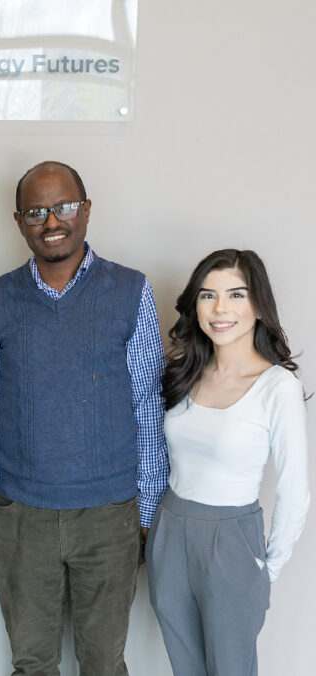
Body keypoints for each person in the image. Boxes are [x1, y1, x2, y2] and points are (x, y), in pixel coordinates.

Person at [0, 161, 168, 675]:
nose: (51, 221)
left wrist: (145, 512)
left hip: (109, 514)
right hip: (22, 517)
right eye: (36, 211)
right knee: (32, 665)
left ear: (87, 210)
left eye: (64, 207)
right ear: (18, 221)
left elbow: (148, 404)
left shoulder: (130, 290)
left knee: (103, 663)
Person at [145, 249, 309, 675]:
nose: (221, 309)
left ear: (258, 305)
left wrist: (266, 569)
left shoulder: (278, 386)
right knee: (186, 667)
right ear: (194, 306)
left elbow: (295, 490)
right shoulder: (184, 371)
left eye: (236, 294)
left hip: (233, 542)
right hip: (171, 530)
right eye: (207, 295)